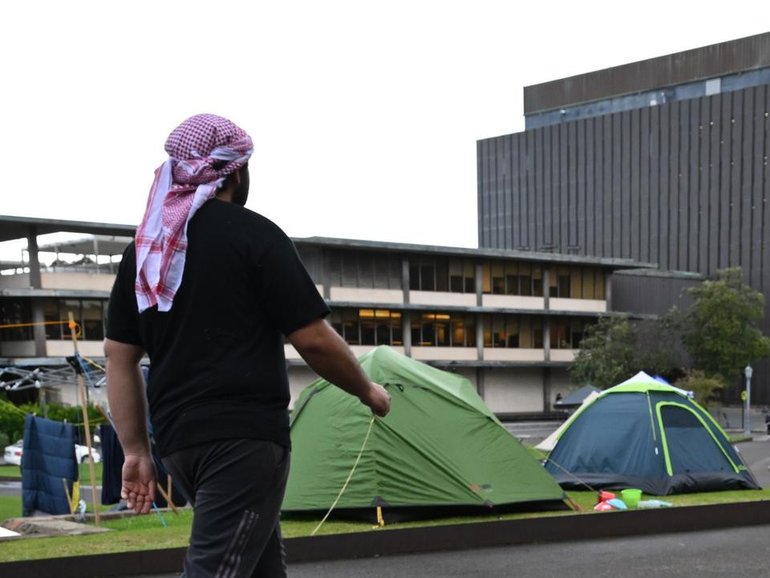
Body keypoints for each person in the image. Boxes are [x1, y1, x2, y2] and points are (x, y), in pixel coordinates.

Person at [104, 113, 391, 577]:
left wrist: (135, 450)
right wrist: (368, 390)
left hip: (180, 443)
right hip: (243, 441)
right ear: (236, 172)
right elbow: (313, 340)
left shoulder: (145, 251)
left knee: (258, 568)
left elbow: (119, 358)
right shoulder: (254, 234)